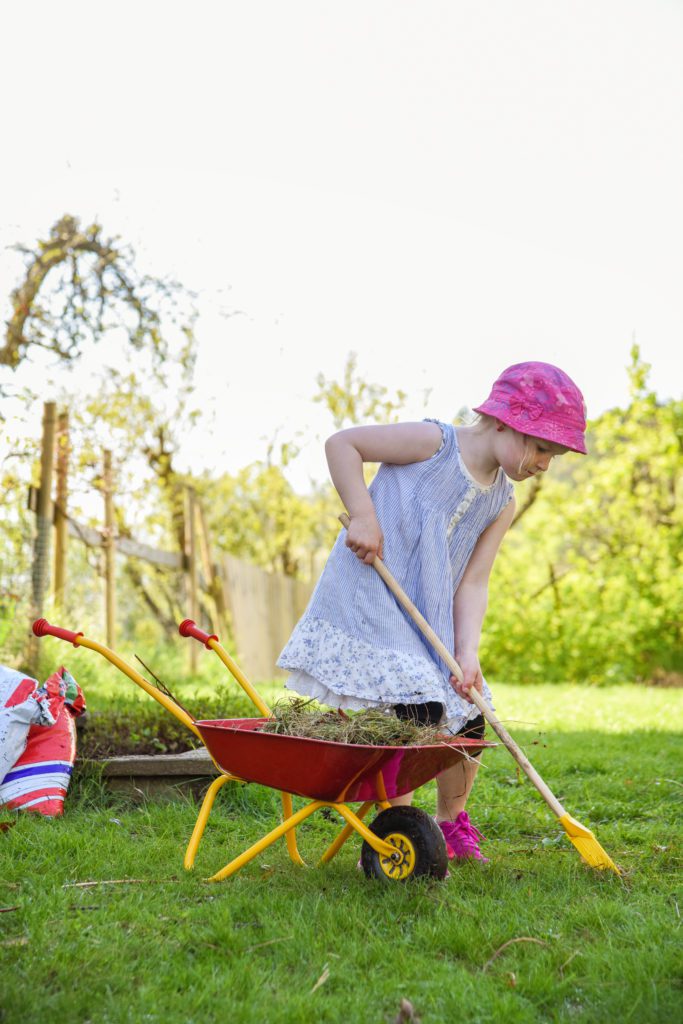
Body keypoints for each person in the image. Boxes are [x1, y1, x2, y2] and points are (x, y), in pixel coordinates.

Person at [278, 361, 587, 862]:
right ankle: (401, 829)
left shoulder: (502, 502)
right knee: (410, 715)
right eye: (542, 446)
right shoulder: (433, 443)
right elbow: (343, 444)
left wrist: (466, 651)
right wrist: (363, 514)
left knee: (468, 712)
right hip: (374, 598)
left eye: (554, 453)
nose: (545, 463)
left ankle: (450, 825)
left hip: (429, 615)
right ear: (504, 421)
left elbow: (474, 581)